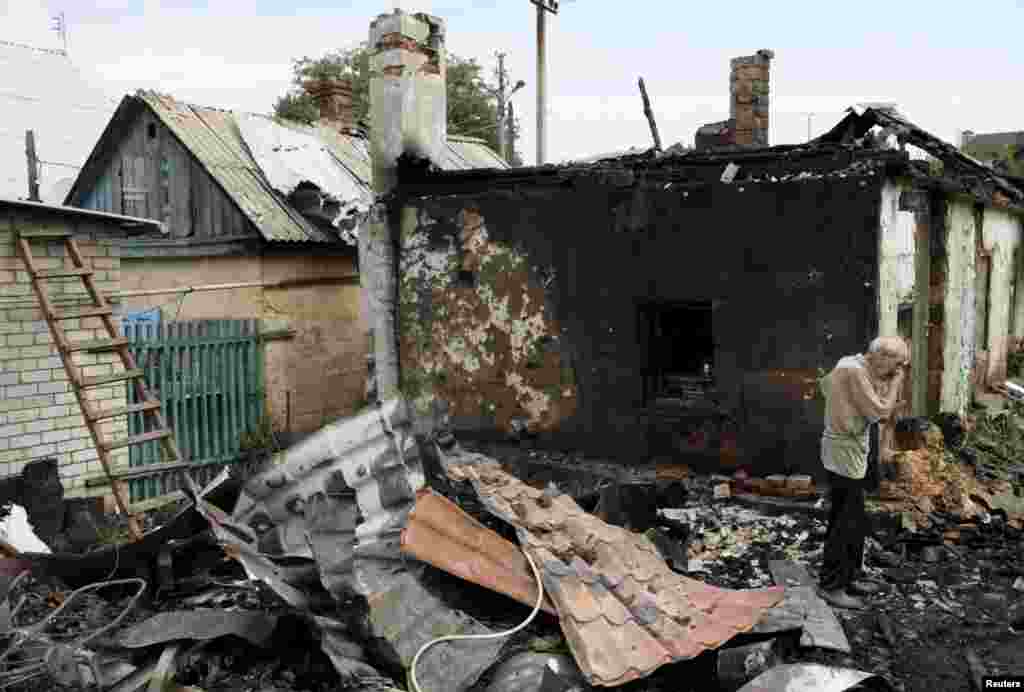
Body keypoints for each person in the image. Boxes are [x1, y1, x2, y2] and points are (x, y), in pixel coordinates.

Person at [817, 336, 909, 609]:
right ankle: (831, 586)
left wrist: (885, 382)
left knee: (855, 520)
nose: (896, 371)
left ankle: (850, 576)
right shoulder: (852, 370)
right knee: (843, 522)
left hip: (853, 449)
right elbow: (880, 411)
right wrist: (895, 384)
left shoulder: (858, 368)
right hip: (842, 453)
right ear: (879, 355)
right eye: (895, 364)